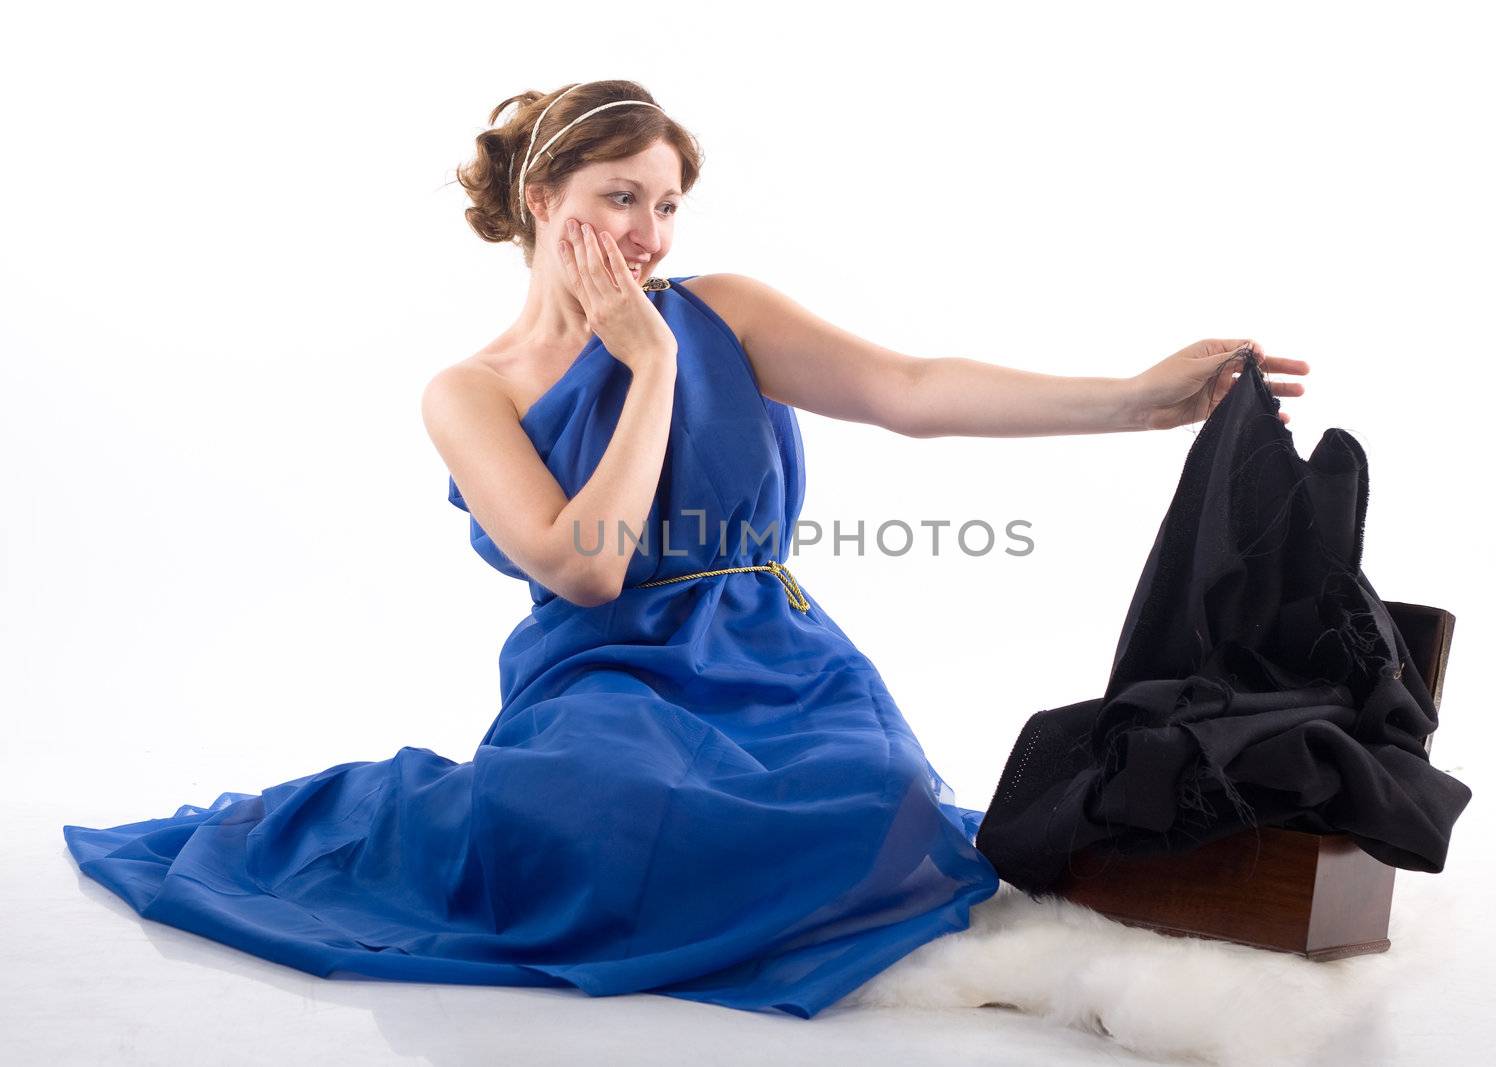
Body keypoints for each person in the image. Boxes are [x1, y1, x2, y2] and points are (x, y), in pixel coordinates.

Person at [62, 79, 1310, 1020]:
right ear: (542, 202)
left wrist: (1136, 400)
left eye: (666, 204)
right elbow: (587, 567)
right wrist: (643, 366)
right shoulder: (469, 390)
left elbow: (912, 387)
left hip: (775, 655)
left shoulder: (727, 311)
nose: (650, 232)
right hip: (600, 674)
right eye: (621, 198)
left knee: (872, 808)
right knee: (606, 814)